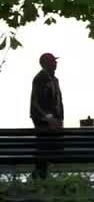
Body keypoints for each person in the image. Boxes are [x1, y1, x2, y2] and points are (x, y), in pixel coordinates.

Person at [30, 52, 64, 180]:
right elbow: (35, 101)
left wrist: (59, 119)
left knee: (49, 148)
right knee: (43, 147)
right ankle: (39, 176)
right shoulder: (40, 78)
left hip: (54, 120)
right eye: (53, 61)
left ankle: (41, 176)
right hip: (43, 120)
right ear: (45, 64)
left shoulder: (54, 79)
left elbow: (58, 101)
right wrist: (48, 118)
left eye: (55, 61)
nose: (56, 63)